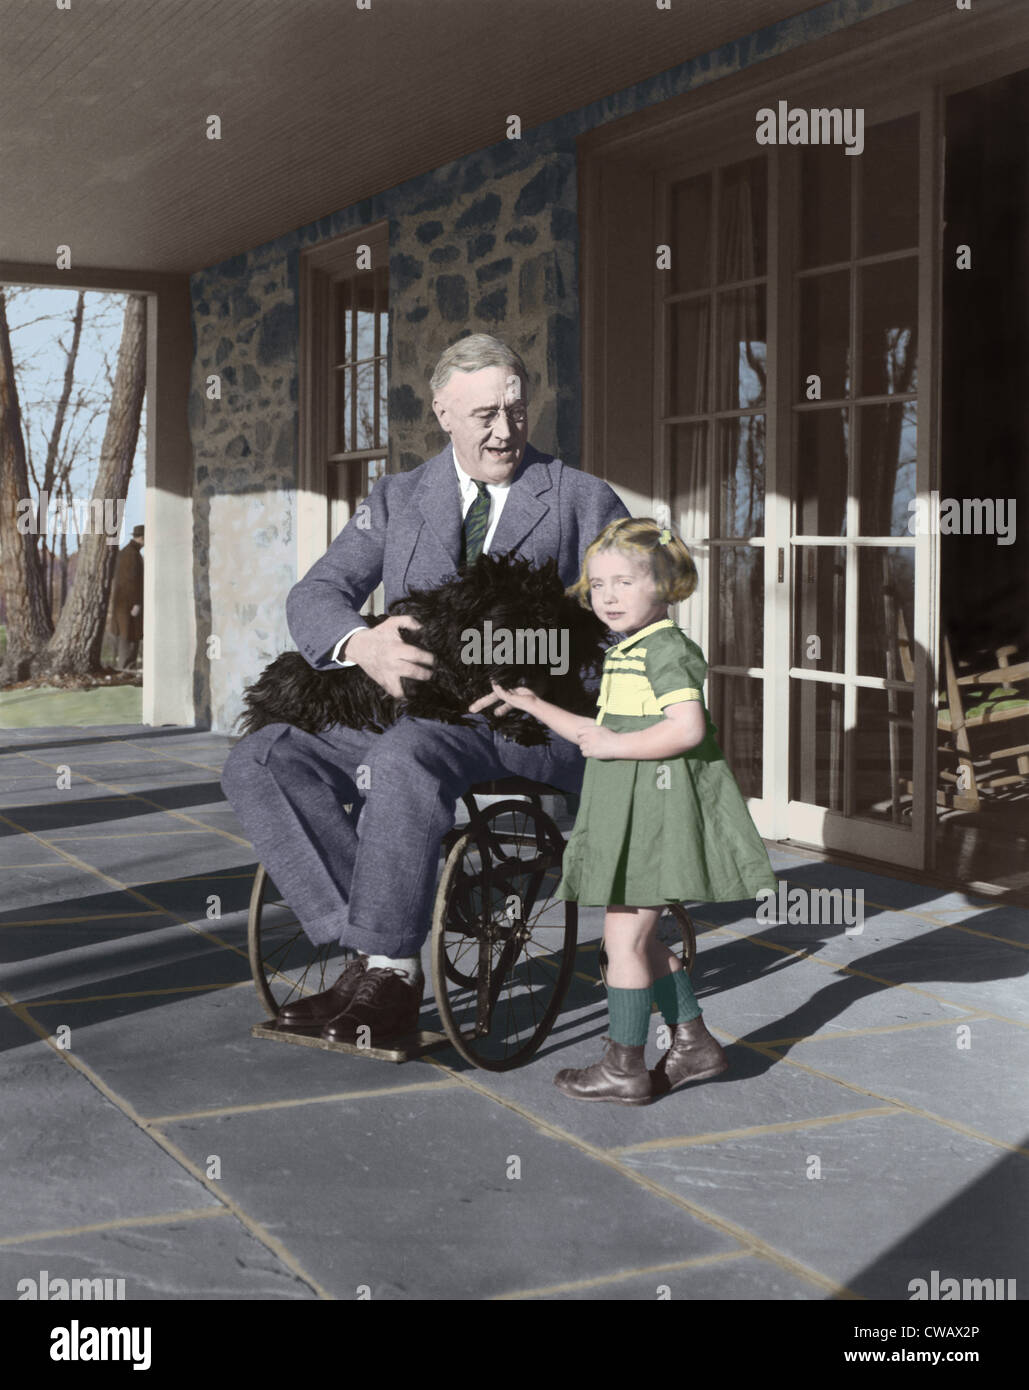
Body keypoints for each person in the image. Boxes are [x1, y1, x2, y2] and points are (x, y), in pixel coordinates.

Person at [221, 334, 629, 1042]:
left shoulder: (581, 500)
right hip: (415, 710)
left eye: (516, 411)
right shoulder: (399, 496)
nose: (505, 431)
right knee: (262, 756)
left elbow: (627, 636)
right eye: (484, 417)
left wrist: (541, 681)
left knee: (405, 755)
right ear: (442, 411)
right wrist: (362, 644)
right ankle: (372, 949)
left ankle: (390, 972)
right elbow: (316, 592)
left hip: (522, 724)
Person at [492, 516, 778, 1105]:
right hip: (633, 808)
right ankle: (694, 1044)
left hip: (657, 812)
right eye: (598, 585)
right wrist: (534, 704)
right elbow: (599, 731)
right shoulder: (632, 648)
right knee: (639, 939)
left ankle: (625, 1068)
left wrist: (617, 746)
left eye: (624, 582)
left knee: (622, 941)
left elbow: (686, 727)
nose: (609, 596)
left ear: (665, 585)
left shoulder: (667, 650)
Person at [109, 524, 144, 669]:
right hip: (127, 606)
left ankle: (126, 669)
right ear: (142, 538)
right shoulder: (131, 555)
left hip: (124, 606)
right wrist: (136, 603)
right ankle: (125, 670)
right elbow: (129, 582)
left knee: (128, 637)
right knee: (128, 638)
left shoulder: (129, 552)